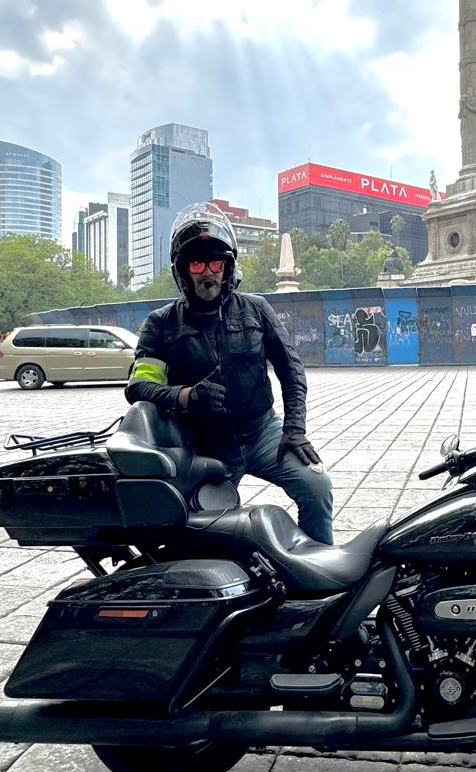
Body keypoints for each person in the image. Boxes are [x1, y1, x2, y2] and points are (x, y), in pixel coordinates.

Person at [125, 202, 334, 543]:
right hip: (204, 446)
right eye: (197, 263)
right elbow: (139, 385)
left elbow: (290, 368)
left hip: (263, 431)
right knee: (203, 532)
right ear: (182, 270)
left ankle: (322, 570)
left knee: (317, 485)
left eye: (216, 262)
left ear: (228, 267)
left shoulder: (256, 308)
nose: (208, 272)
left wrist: (295, 429)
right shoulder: (161, 324)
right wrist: (185, 396)